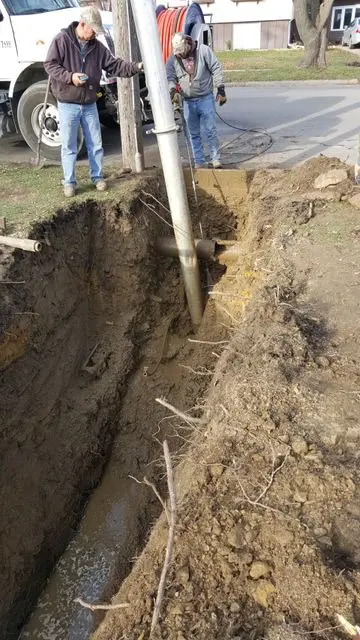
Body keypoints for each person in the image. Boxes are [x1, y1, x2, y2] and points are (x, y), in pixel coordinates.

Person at [44, 7, 142, 197]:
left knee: (96, 144)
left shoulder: (96, 47)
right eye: (93, 30)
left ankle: (97, 178)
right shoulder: (62, 40)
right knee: (69, 146)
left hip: (89, 103)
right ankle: (69, 182)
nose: (95, 34)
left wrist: (136, 67)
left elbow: (114, 65)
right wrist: (70, 77)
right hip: (68, 103)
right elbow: (50, 64)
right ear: (82, 24)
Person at [166, 32, 227, 170]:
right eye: (178, 53)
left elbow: (216, 68)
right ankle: (199, 161)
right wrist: (173, 91)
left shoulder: (203, 51)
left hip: (205, 98)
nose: (180, 55)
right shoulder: (173, 59)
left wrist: (221, 89)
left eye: (182, 51)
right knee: (192, 133)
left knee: (210, 130)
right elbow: (170, 77)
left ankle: (215, 159)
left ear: (188, 43)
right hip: (188, 101)